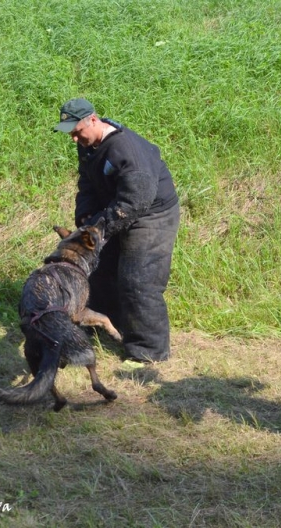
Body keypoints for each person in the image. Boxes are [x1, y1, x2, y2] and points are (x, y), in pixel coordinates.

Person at [54, 98, 180, 363]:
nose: (74, 139)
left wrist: (100, 227)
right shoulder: (88, 145)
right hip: (112, 210)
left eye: (77, 132)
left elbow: (136, 201)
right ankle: (101, 325)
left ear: (93, 120)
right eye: (70, 134)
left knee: (138, 280)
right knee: (95, 267)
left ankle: (148, 353)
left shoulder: (125, 150)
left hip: (150, 215)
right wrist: (86, 214)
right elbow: (87, 181)